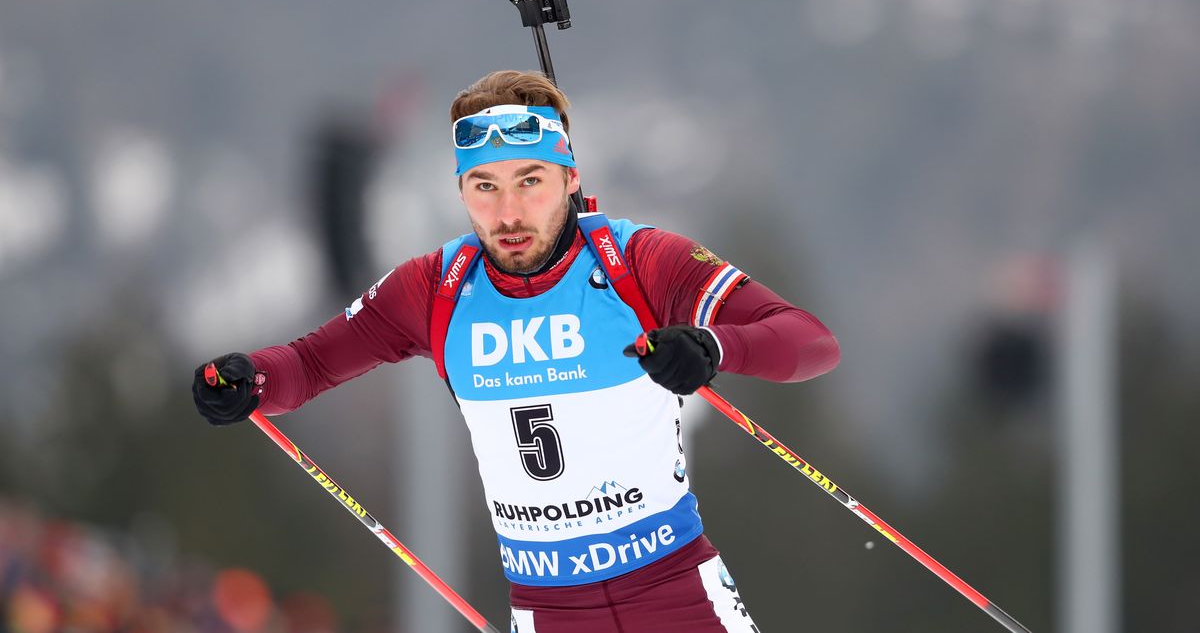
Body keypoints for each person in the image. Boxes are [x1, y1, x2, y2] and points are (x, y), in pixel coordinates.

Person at [190, 70, 841, 632]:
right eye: (484, 186)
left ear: (570, 177)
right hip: (546, 607)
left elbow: (809, 341)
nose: (507, 213)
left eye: (530, 181)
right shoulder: (436, 289)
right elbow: (308, 364)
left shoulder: (637, 262)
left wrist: (712, 346)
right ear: (461, 191)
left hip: (675, 593)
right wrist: (250, 380)